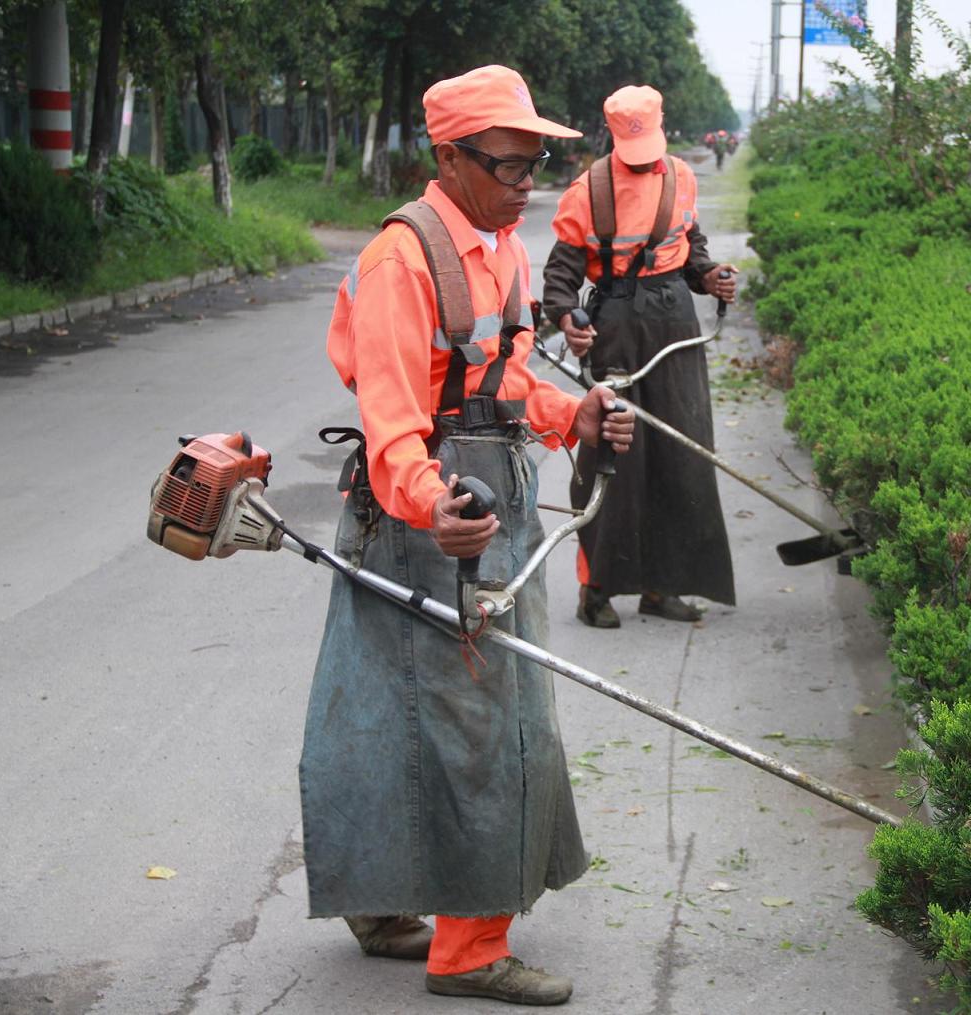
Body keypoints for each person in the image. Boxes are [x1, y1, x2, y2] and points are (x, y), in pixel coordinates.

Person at [300, 64, 634, 1006]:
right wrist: (430, 501)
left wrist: (577, 414)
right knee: (480, 722)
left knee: (394, 709)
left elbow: (509, 381)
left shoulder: (501, 249)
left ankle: (382, 896)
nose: (527, 185)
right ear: (448, 158)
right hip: (428, 514)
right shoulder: (401, 263)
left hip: (491, 496)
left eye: (536, 166)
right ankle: (469, 951)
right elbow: (392, 419)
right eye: (509, 166)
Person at [542, 85, 738, 629]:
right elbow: (561, 273)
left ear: (662, 126)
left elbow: (689, 248)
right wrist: (567, 318)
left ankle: (662, 587)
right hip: (616, 325)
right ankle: (596, 589)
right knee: (612, 457)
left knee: (682, 453)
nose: (645, 158)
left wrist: (710, 277)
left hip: (674, 319)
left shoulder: (682, 177)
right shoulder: (588, 190)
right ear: (611, 135)